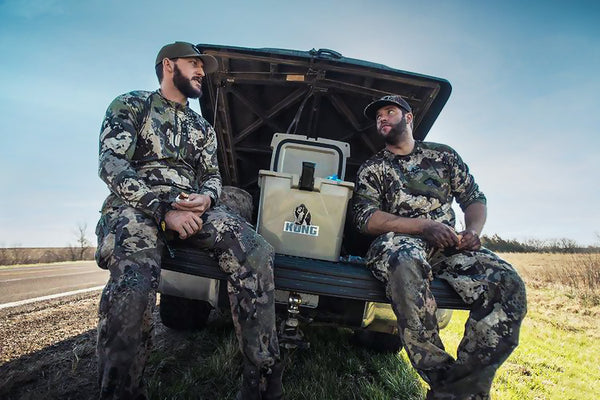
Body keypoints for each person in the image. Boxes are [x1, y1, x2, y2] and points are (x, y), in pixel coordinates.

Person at [95, 41, 283, 400]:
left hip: (193, 209)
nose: (201, 72)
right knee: (133, 288)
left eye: (202, 67)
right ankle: (121, 391)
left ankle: (261, 386)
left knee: (256, 252)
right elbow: (111, 164)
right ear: (168, 65)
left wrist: (208, 197)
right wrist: (164, 210)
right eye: (194, 64)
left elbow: (212, 174)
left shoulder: (203, 128)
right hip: (136, 206)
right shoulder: (132, 104)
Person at [353, 95, 527, 400]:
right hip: (400, 242)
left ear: (408, 118)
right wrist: (423, 226)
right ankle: (441, 378)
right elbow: (365, 218)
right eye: (378, 115)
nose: (382, 118)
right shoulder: (374, 167)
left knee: (507, 283)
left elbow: (474, 198)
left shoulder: (444, 156)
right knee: (405, 262)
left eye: (389, 112)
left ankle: (460, 389)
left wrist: (472, 232)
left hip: (449, 247)